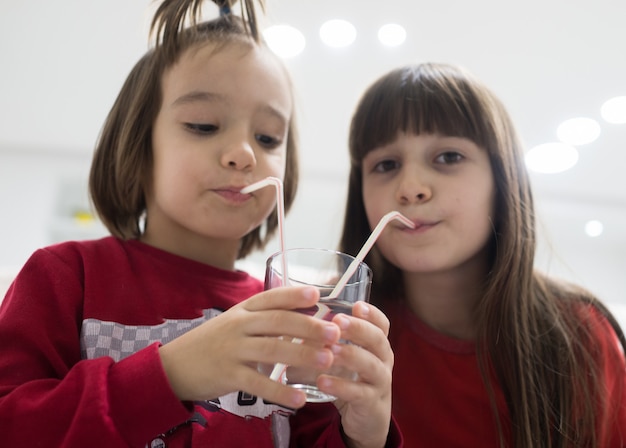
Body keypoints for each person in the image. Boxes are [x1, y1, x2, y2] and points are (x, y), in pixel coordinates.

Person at [0, 1, 401, 447]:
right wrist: (169, 374)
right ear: (139, 147)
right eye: (204, 125)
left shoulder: (287, 315)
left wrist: (362, 436)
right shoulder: (62, 278)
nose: (245, 154)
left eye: (268, 138)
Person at [339, 62, 626, 447]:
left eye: (449, 157)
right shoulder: (335, 329)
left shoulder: (579, 336)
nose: (410, 188)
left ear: (503, 178)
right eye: (386, 165)